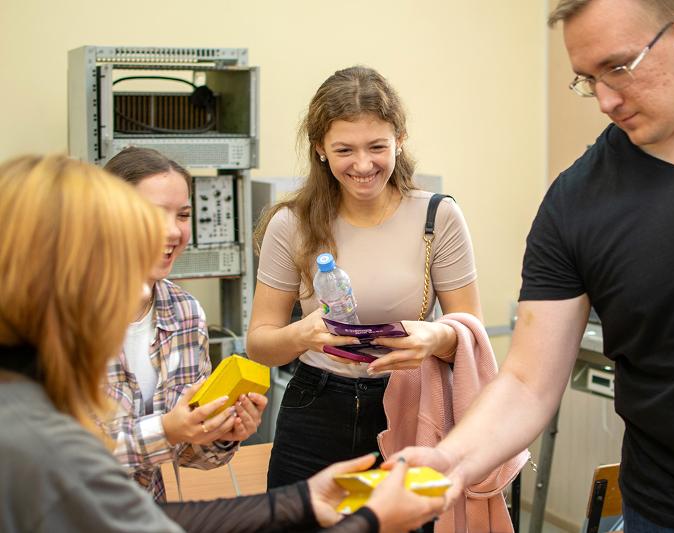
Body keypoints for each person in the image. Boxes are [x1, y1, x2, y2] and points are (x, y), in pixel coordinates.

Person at [389, 1, 674, 532]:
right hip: (672, 513)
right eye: (587, 79)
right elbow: (528, 382)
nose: (605, 100)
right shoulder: (575, 203)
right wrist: (450, 459)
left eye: (619, 68)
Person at [0, 154, 445, 533]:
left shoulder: (175, 313)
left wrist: (301, 499)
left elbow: (146, 515)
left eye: (182, 215)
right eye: (117, 248)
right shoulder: (24, 427)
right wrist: (368, 520)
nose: (166, 236)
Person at [247, 65, 482, 490]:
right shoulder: (291, 223)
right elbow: (260, 345)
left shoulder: (437, 217)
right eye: (344, 150)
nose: (362, 164)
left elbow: (469, 336)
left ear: (399, 139)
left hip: (409, 406)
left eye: (377, 147)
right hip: (314, 408)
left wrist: (433, 338)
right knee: (297, 519)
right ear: (320, 148)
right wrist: (302, 334)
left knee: (406, 518)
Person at [101, 146, 267, 501]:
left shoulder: (185, 313)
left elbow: (188, 452)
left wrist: (221, 433)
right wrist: (166, 430)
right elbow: (56, 455)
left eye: (183, 215)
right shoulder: (57, 312)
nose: (172, 231)